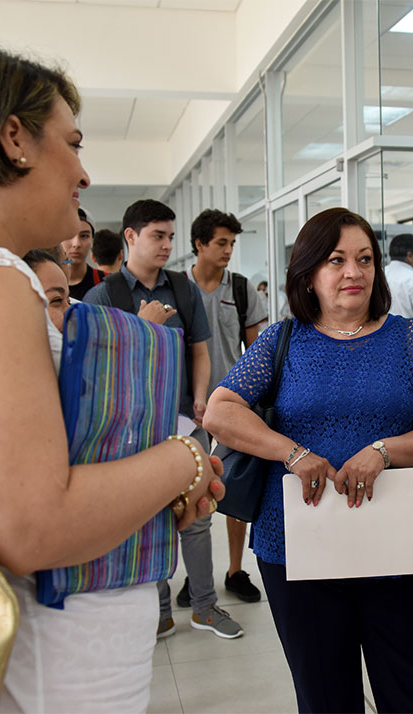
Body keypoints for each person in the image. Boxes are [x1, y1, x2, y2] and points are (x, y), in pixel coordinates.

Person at [0, 45, 221, 713]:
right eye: (72, 143)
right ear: (14, 138)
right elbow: (31, 525)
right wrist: (185, 459)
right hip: (44, 670)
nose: (82, 173)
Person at [204, 207, 413, 714]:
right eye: (337, 260)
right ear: (309, 273)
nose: (353, 272)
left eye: (365, 259)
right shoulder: (283, 340)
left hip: (392, 546)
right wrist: (293, 453)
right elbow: (220, 411)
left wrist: (383, 451)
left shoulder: (410, 339)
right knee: (325, 695)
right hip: (299, 549)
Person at [82, 200, 241, 640]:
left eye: (170, 237)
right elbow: (101, 369)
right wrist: (141, 325)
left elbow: (200, 351)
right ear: (131, 237)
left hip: (185, 422)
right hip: (133, 426)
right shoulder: (105, 296)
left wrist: (200, 399)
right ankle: (158, 610)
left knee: (200, 512)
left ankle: (205, 606)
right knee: (148, 516)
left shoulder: (183, 289)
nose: (167, 246)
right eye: (157, 236)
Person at [174, 209, 268, 612]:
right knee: (187, 491)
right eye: (221, 243)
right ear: (200, 244)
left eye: (232, 243)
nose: (229, 250)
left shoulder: (243, 289)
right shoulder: (178, 290)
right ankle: (196, 578)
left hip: (231, 408)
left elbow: (257, 353)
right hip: (186, 407)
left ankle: (234, 570)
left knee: (233, 486)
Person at [62, 207, 104, 300]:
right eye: (69, 235)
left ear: (92, 241)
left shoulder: (107, 282)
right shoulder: (44, 283)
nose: (76, 244)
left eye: (84, 236)